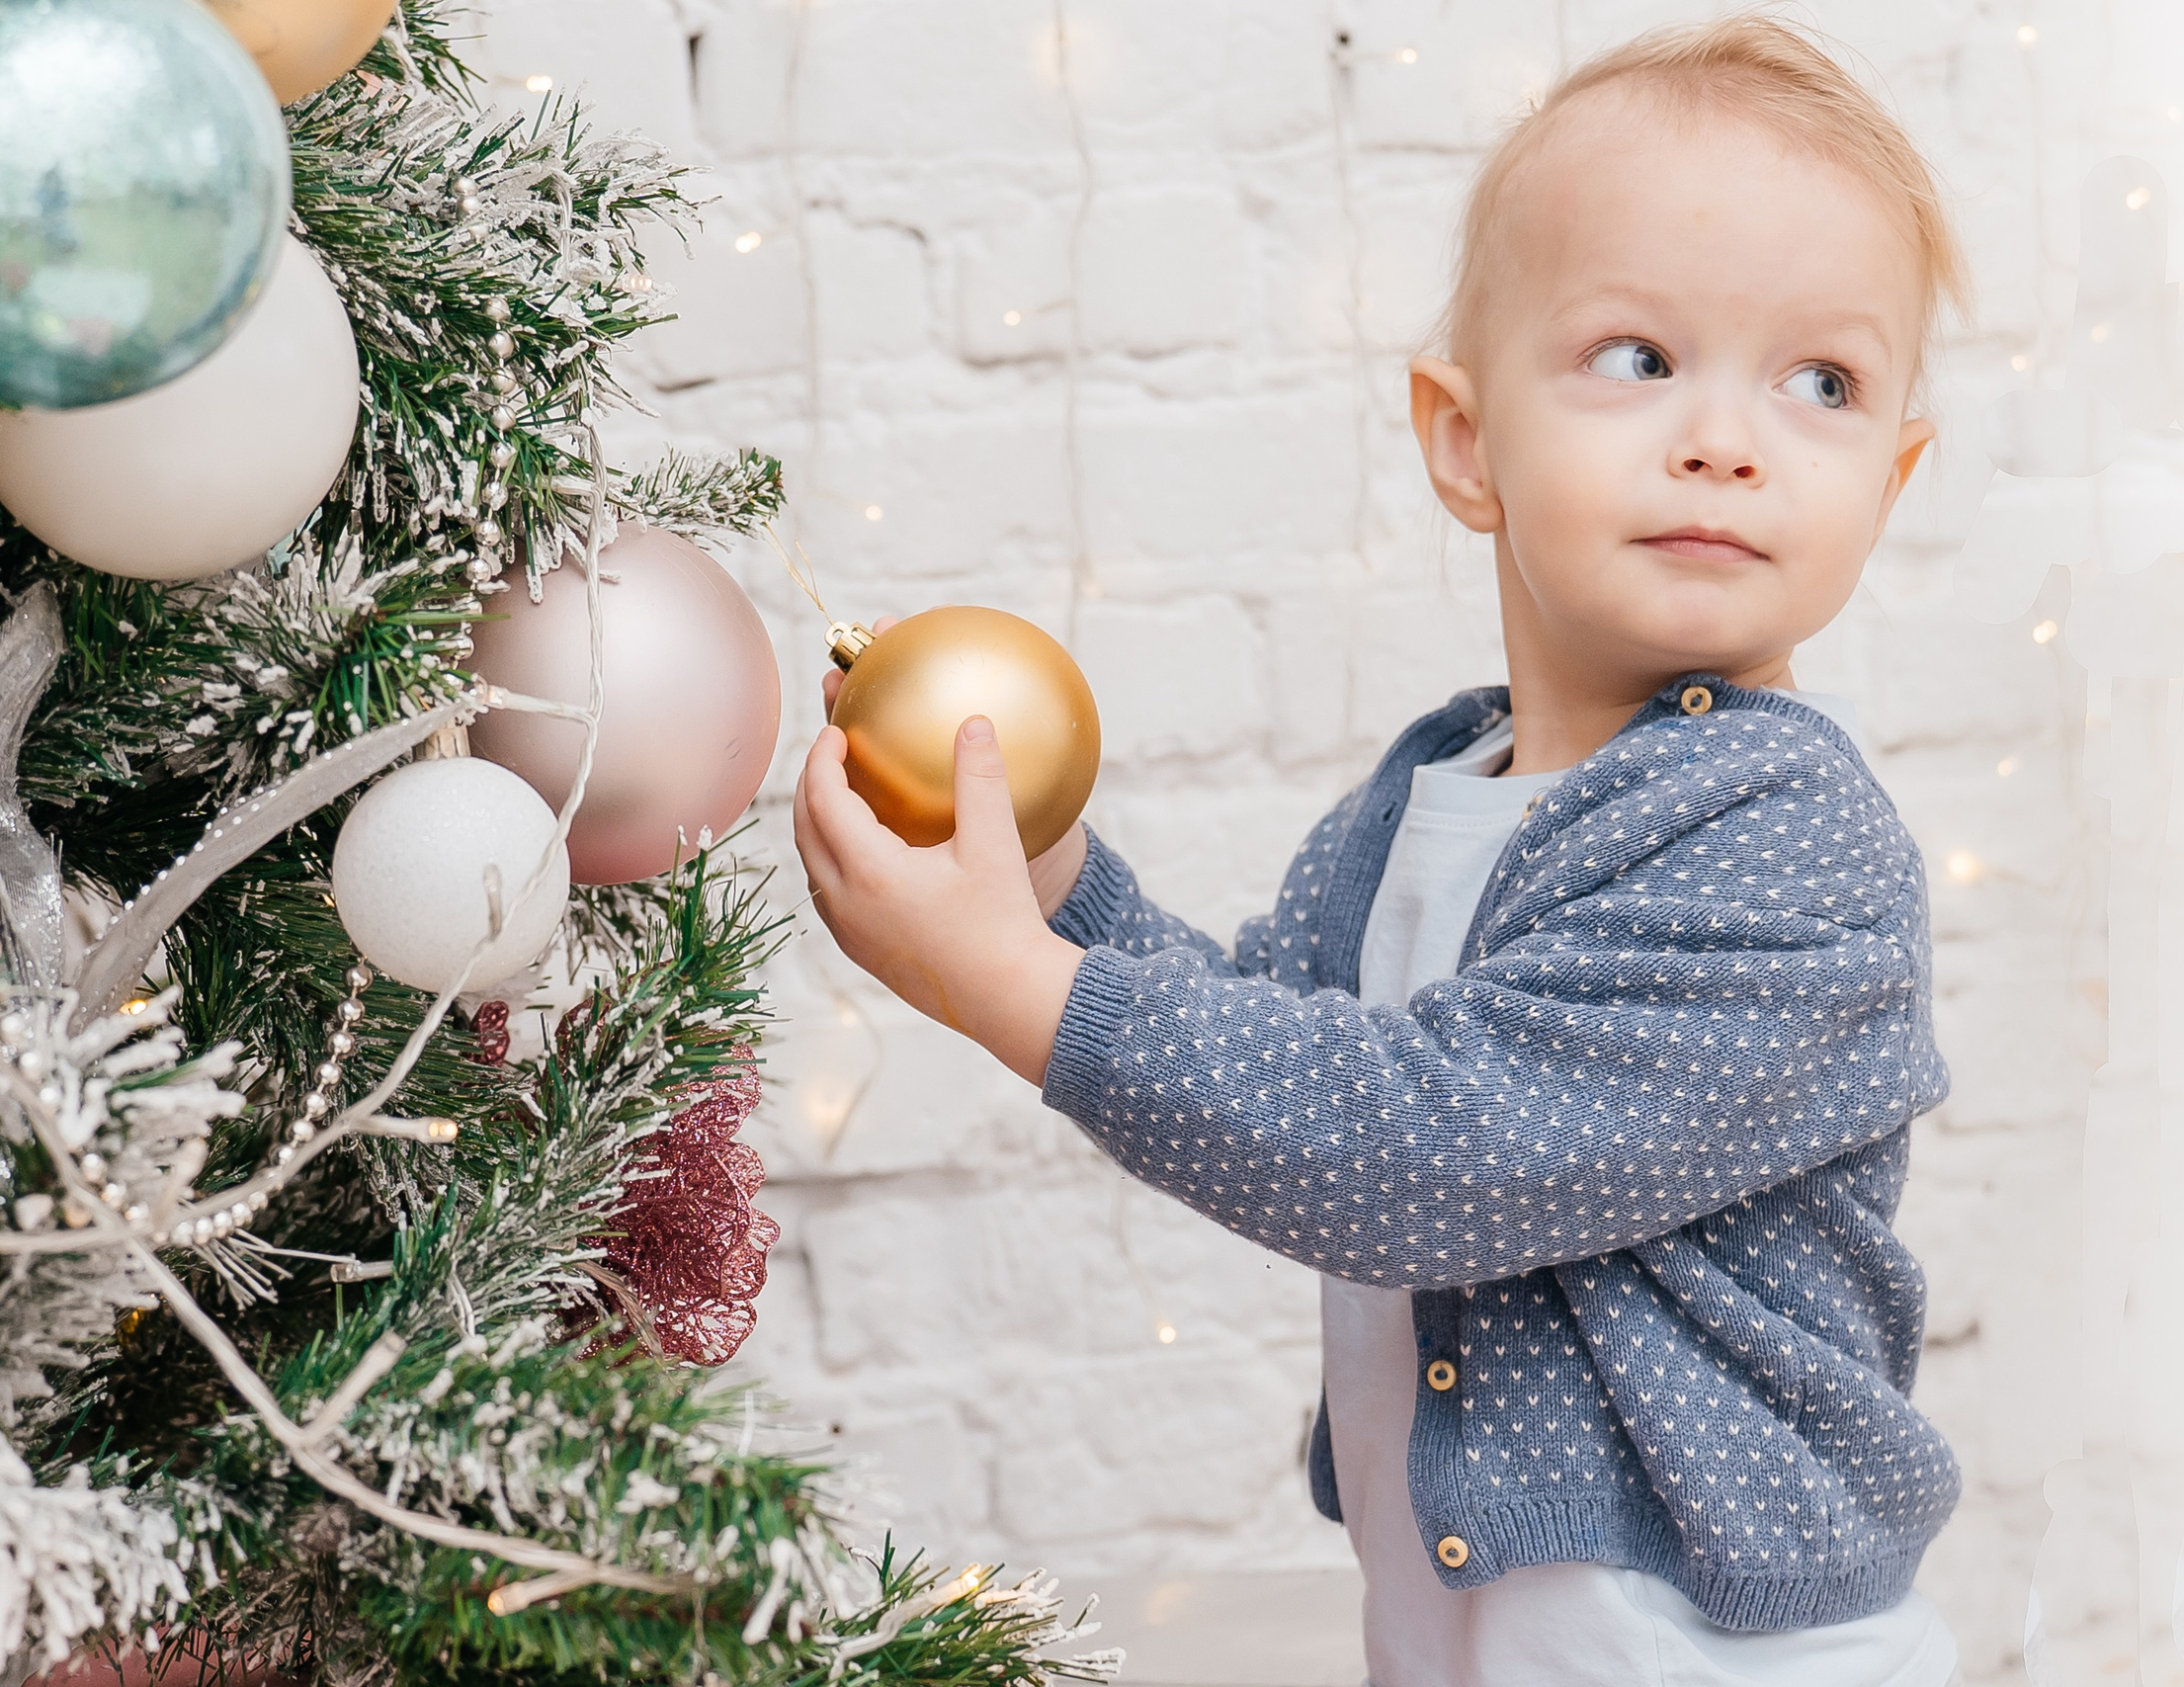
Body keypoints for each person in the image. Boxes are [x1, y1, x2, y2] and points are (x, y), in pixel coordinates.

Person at [793, 16, 1966, 1684]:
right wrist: (1048, 889)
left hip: (1699, 1649)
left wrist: (1016, 990)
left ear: (1892, 477)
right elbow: (1282, 1049)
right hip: (1480, 1629)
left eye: (1822, 382)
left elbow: (1429, 1149)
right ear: (1465, 441)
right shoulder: (1439, 780)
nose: (1729, 435)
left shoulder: (1786, 843)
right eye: (1639, 356)